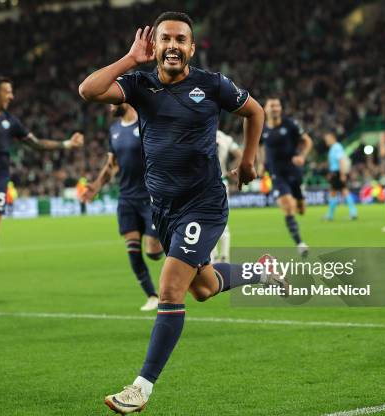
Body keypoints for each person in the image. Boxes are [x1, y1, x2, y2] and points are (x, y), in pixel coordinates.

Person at [79, 12, 286, 414]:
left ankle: (141, 388)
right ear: (154, 46)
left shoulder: (211, 84)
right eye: (165, 39)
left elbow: (255, 112)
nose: (173, 46)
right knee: (203, 288)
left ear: (192, 48)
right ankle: (262, 269)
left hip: (204, 204)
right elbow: (89, 90)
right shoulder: (139, 84)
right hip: (165, 209)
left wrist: (247, 161)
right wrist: (128, 59)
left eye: (181, 40)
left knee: (171, 287)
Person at [0, 76, 84, 302]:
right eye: (8, 91)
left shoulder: (10, 121)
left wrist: (66, 144)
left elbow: (36, 143)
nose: (12, 96)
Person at [81, 103, 163, 311]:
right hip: (126, 198)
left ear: (125, 100)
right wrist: (96, 186)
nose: (109, 107)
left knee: (153, 251)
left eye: (112, 102)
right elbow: (112, 165)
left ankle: (182, 255)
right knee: (132, 250)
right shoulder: (114, 130)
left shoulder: (146, 122)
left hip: (150, 195)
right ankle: (152, 296)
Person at [259, 98, 313, 256]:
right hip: (276, 174)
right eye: (272, 105)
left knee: (301, 209)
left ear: (281, 108)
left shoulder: (290, 124)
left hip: (294, 171)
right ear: (265, 109)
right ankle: (300, 243)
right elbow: (260, 146)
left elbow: (307, 141)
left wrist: (302, 156)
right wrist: (261, 164)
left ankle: (300, 199)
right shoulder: (262, 129)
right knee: (288, 206)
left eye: (277, 105)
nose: (275, 108)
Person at [211, 130, 242, 262]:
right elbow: (239, 154)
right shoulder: (225, 137)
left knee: (205, 221)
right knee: (221, 220)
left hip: (202, 183)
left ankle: (212, 257)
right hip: (221, 181)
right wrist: (232, 170)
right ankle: (224, 256)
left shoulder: (198, 130)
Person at [323, 132, 357, 220]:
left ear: (333, 138)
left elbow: (341, 160)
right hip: (335, 172)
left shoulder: (337, 147)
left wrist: (342, 174)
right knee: (339, 191)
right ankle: (352, 212)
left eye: (328, 138)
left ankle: (331, 215)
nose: (326, 141)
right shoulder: (334, 147)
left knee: (339, 192)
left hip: (338, 172)